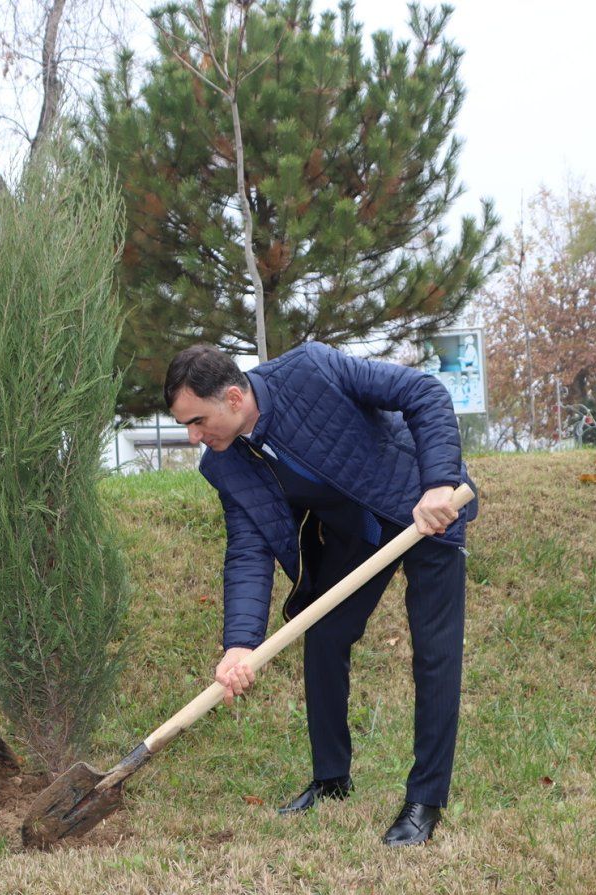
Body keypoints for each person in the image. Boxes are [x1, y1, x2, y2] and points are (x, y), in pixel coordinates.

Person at [164, 343, 477, 846]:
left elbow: (423, 392)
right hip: (357, 533)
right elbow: (249, 549)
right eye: (186, 425)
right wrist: (240, 643)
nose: (194, 435)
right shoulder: (226, 464)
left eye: (197, 420)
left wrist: (439, 483)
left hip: (425, 508)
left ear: (234, 397)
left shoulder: (312, 369)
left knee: (435, 654)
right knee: (324, 635)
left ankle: (425, 799)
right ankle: (331, 779)